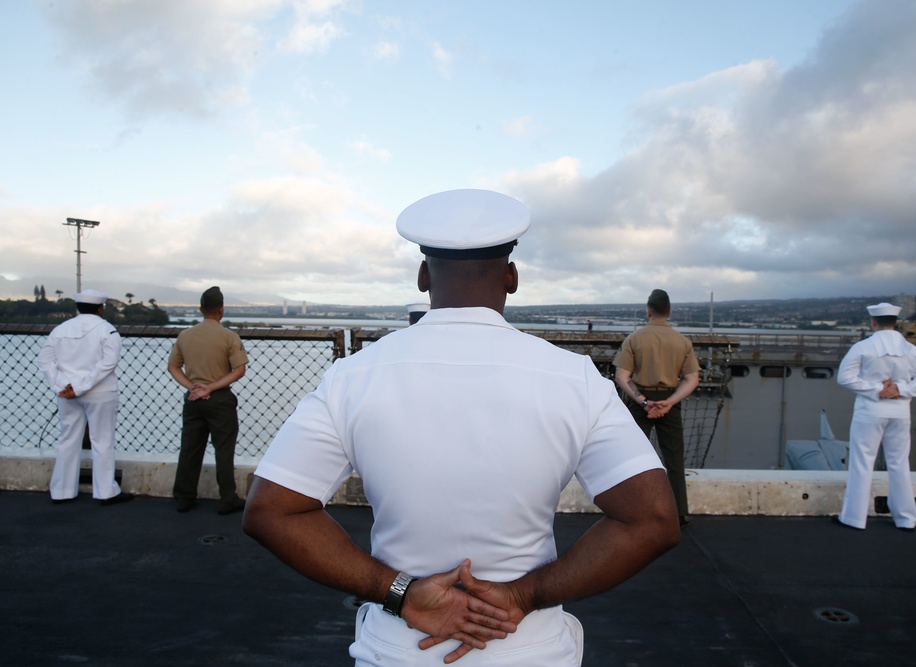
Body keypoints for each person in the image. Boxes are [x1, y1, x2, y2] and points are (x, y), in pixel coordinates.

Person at [243, 189, 679, 666]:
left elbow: (272, 511)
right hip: (528, 648)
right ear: (511, 277)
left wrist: (399, 593)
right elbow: (653, 519)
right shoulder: (574, 378)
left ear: (424, 275)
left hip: (398, 648)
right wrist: (523, 595)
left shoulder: (353, 376)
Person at [834, 302, 916, 531]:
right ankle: (906, 518)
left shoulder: (863, 347)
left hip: (870, 412)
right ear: (896, 322)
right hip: (900, 413)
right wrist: (900, 389)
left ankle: (854, 518)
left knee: (862, 463)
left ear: (873, 322)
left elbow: (844, 378)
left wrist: (876, 389)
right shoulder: (911, 350)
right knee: (899, 464)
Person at [37, 289, 133, 506]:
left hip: (66, 393)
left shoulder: (60, 330)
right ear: (100, 308)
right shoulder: (107, 330)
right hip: (100, 393)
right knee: (102, 440)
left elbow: (45, 360)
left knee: (68, 439)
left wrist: (60, 385)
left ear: (79, 307)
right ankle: (105, 491)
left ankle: (61, 491)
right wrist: (81, 387)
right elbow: (107, 364)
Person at [613, 289, 700, 524]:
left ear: (648, 310)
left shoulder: (635, 339)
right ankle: (679, 513)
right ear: (669, 311)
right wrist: (668, 403)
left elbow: (622, 375)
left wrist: (643, 402)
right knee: (674, 459)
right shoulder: (682, 341)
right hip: (669, 402)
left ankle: (631, 510)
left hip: (640, 402)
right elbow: (692, 379)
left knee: (632, 458)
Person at [167, 286, 249, 515]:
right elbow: (239, 370)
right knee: (223, 449)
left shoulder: (185, 335)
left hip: (193, 399)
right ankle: (226, 498)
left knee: (190, 448)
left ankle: (184, 496)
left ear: (200, 309)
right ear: (222, 310)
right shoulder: (229, 336)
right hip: (220, 399)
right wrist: (211, 387)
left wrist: (193, 387)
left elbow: (173, 366)